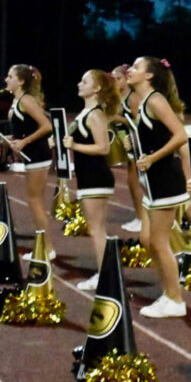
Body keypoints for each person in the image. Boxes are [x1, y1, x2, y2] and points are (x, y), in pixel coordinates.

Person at [129, 57, 190, 318]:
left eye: (136, 67)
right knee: (149, 241)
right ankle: (168, 291)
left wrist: (153, 157)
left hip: (165, 179)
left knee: (159, 241)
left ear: (150, 76)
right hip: (152, 182)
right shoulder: (143, 103)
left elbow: (181, 135)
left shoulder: (155, 101)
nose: (131, 70)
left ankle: (175, 299)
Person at [66, 69, 120, 290]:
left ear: (96, 89)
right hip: (89, 177)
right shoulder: (86, 113)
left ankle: (104, 276)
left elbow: (103, 147)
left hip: (96, 178)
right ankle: (105, 273)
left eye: (84, 80)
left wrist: (74, 145)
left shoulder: (95, 114)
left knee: (97, 229)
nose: (79, 83)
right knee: (96, 228)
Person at [3, 64, 53, 237]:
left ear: (21, 81)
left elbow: (47, 126)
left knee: (35, 201)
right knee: (34, 201)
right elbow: (24, 128)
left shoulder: (26, 100)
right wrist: (10, 139)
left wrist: (24, 142)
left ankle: (46, 248)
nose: (6, 79)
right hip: (32, 155)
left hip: (38, 154)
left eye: (10, 76)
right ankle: (45, 247)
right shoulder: (18, 100)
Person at [110, 64, 147, 233]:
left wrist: (118, 118)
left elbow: (138, 122)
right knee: (132, 181)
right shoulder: (119, 97)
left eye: (118, 79)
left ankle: (142, 218)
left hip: (135, 141)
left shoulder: (132, 97)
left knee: (135, 181)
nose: (115, 82)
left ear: (126, 79)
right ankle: (139, 216)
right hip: (125, 141)